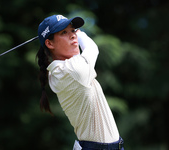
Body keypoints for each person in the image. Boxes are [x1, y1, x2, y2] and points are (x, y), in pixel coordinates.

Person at [36, 14, 124, 150]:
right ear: (49, 43)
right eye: (64, 32)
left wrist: (70, 30)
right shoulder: (72, 70)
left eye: (73, 30)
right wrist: (80, 33)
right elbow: (92, 48)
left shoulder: (60, 70)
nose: (73, 35)